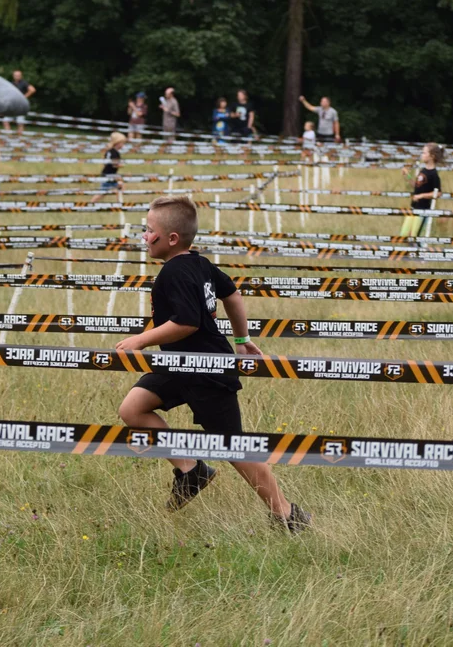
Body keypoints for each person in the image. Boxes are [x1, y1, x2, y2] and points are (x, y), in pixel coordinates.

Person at [114, 195, 311, 532]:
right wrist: (241, 337)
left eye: (149, 231)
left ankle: (287, 514)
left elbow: (187, 323)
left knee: (235, 447)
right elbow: (232, 293)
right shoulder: (200, 263)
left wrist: (140, 339)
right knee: (133, 409)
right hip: (179, 365)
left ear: (172, 238)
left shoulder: (174, 272)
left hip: (207, 370)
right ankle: (192, 471)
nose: (144, 237)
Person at [398, 143, 443, 237]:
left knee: (414, 236)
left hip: (423, 210)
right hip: (413, 207)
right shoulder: (423, 170)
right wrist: (407, 176)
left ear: (432, 156)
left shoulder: (434, 174)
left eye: (424, 153)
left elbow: (438, 193)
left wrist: (421, 196)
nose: (422, 155)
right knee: (404, 234)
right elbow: (417, 186)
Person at [91, 132, 126, 203]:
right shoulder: (115, 153)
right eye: (122, 143)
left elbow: (106, 162)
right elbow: (114, 164)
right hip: (109, 175)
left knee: (119, 186)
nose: (123, 145)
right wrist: (120, 165)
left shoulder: (109, 151)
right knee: (102, 192)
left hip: (107, 174)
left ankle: (119, 202)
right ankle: (91, 203)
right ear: (117, 143)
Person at [3, 70, 36, 135]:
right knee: (5, 121)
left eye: (18, 75)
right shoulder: (11, 84)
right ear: (13, 76)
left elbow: (32, 90)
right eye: (15, 75)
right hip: (12, 105)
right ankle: (9, 137)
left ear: (21, 76)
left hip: (21, 106)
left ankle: (19, 138)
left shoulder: (24, 83)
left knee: (20, 123)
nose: (17, 77)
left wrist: (23, 97)